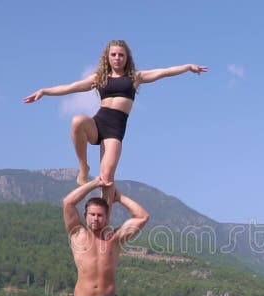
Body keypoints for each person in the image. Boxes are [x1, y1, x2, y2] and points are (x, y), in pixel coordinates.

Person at [23, 39, 207, 204]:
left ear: (127, 58)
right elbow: (72, 87)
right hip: (98, 122)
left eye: (121, 55)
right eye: (113, 55)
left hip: (115, 130)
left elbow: (164, 72)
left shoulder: (135, 77)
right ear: (108, 57)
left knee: (107, 177)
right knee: (77, 121)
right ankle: (83, 167)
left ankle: (105, 221)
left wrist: (188, 67)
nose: (117, 58)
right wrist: (44, 91)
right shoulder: (99, 78)